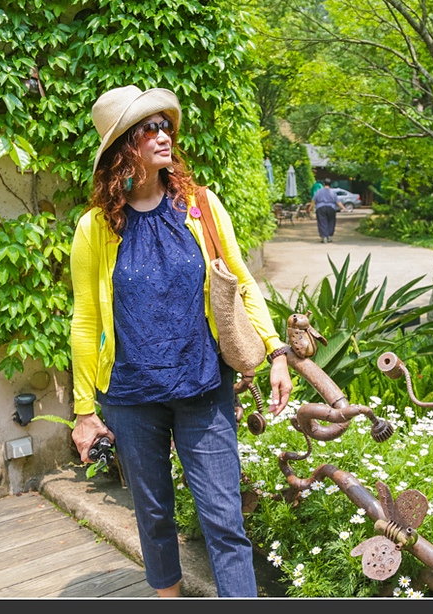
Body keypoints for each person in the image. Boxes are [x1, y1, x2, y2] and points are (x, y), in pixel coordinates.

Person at [69, 85, 294, 598]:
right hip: (130, 395)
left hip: (203, 387)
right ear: (124, 146)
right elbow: (85, 320)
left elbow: (241, 280)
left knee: (223, 517)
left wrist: (276, 350)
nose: (164, 134)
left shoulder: (200, 207)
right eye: (149, 128)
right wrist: (85, 411)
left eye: (165, 125)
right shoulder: (95, 228)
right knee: (152, 515)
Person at [310, 178, 345, 243]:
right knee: (331, 222)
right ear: (330, 184)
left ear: (323, 184)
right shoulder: (333, 192)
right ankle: (329, 236)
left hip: (320, 208)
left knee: (322, 222)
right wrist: (343, 208)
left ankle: (324, 237)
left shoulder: (319, 191)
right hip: (331, 208)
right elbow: (338, 201)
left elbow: (313, 200)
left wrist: (310, 207)